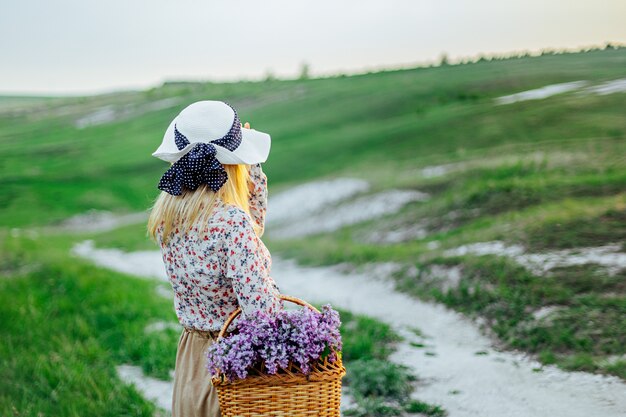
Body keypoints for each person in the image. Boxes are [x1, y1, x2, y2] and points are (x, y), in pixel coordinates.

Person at [147, 100, 283, 417]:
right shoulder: (232, 225)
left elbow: (252, 226)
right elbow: (261, 316)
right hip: (233, 362)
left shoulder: (167, 223)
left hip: (192, 358)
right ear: (234, 165)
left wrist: (250, 170)